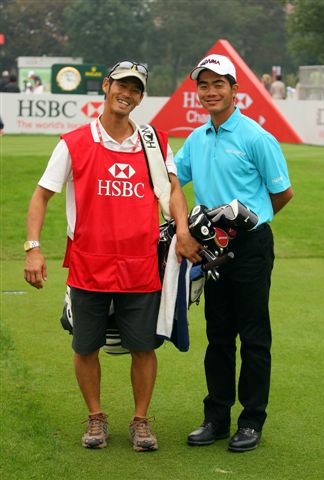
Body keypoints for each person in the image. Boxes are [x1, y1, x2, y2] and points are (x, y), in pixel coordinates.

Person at [24, 60, 200, 452]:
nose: (127, 93)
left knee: (144, 346)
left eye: (136, 89)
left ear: (141, 96)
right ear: (106, 86)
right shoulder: (73, 142)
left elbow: (172, 191)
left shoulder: (154, 142)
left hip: (140, 265)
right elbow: (41, 196)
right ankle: (95, 416)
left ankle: (140, 420)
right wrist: (33, 248)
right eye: (122, 85)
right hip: (89, 263)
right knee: (85, 345)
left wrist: (183, 229)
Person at [174, 54, 293, 452]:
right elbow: (174, 178)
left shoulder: (256, 138)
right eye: (203, 85)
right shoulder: (196, 138)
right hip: (212, 248)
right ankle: (216, 418)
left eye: (218, 84)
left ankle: (252, 421)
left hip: (251, 246)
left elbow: (282, 193)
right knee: (218, 335)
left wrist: (249, 227)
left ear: (234, 89)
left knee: (254, 336)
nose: (210, 91)